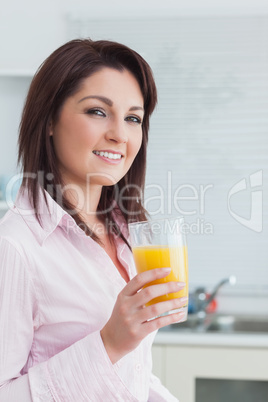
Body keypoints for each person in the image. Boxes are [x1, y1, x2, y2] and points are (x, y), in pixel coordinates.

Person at [0, 39, 186, 401]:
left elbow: (131, 376)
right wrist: (109, 343)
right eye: (98, 112)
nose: (119, 134)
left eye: (133, 118)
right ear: (50, 119)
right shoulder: (14, 248)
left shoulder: (125, 234)